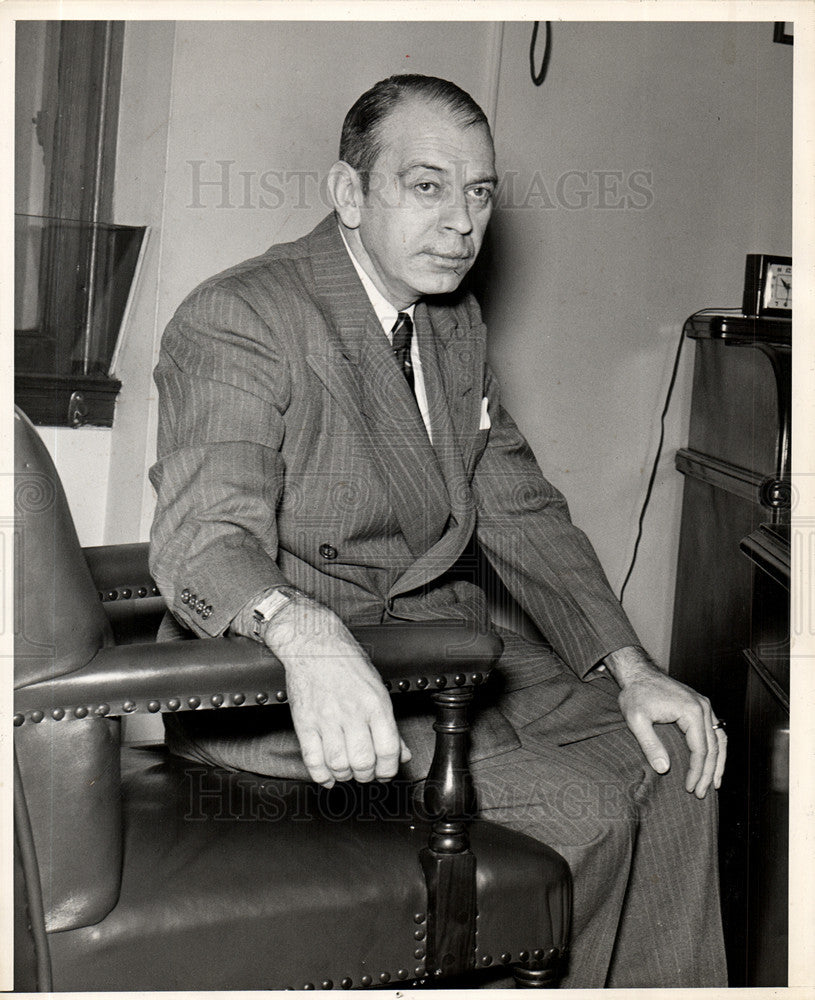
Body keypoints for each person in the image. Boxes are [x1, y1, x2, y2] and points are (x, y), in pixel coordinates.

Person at [149, 74, 727, 987]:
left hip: (443, 651)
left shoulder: (451, 326)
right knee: (589, 811)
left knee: (681, 752)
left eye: (479, 191)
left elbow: (520, 509)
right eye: (426, 185)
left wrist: (632, 667)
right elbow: (202, 539)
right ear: (349, 194)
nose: (462, 221)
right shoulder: (243, 317)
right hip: (286, 681)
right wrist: (303, 631)